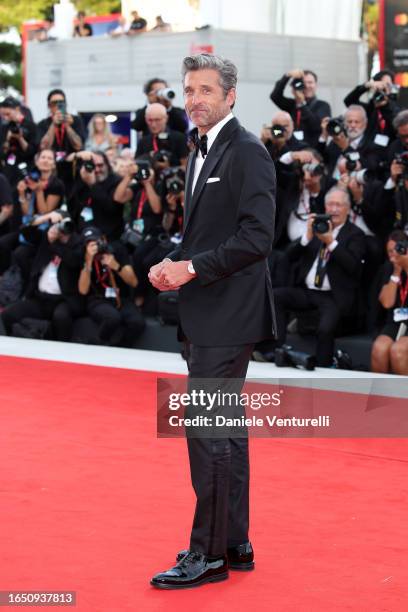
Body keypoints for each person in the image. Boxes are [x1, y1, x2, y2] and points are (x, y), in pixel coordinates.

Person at [148, 53, 276, 589]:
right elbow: (206, 232)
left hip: (230, 313)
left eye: (206, 89)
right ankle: (234, 542)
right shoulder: (197, 149)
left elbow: (256, 237)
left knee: (207, 432)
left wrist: (191, 268)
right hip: (209, 309)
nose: (195, 99)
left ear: (230, 96)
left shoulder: (248, 151)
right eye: (188, 90)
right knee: (228, 433)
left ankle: (208, 555)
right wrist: (172, 263)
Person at [274, 187, 366, 367]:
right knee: (276, 296)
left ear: (347, 208)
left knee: (325, 328)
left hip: (333, 296)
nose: (333, 209)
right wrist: (307, 237)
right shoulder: (317, 228)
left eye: (338, 205)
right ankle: (277, 351)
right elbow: (288, 257)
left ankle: (323, 367)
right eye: (330, 204)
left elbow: (353, 266)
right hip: (308, 291)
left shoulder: (355, 234)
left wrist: (331, 242)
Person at [371, 230, 408, 374]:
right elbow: (387, 303)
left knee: (397, 351)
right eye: (390, 251)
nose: (394, 255)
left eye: (398, 249)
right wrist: (396, 273)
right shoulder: (388, 268)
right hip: (396, 321)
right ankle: (380, 395)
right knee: (379, 349)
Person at [270, 69, 331, 146]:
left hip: (314, 152)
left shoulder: (323, 105)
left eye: (310, 82)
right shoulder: (292, 105)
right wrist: (287, 76)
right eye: (303, 83)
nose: (306, 86)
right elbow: (275, 96)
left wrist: (301, 103)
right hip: (292, 150)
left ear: (316, 85)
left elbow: (316, 126)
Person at [37, 89, 85, 161]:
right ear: (49, 106)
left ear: (65, 104)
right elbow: (43, 148)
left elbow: (78, 146)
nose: (57, 105)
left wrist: (67, 126)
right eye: (54, 103)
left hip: (72, 163)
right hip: (51, 164)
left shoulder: (76, 120)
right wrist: (53, 124)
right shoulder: (42, 124)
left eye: (61, 102)